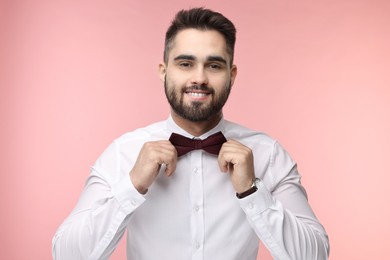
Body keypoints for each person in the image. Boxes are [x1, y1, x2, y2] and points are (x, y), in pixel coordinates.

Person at [52, 7, 329, 260]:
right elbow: (65, 254)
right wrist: (132, 185)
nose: (199, 78)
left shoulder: (268, 154)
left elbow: (315, 255)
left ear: (232, 75)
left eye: (214, 65)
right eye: (185, 64)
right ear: (164, 71)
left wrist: (252, 191)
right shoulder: (123, 153)